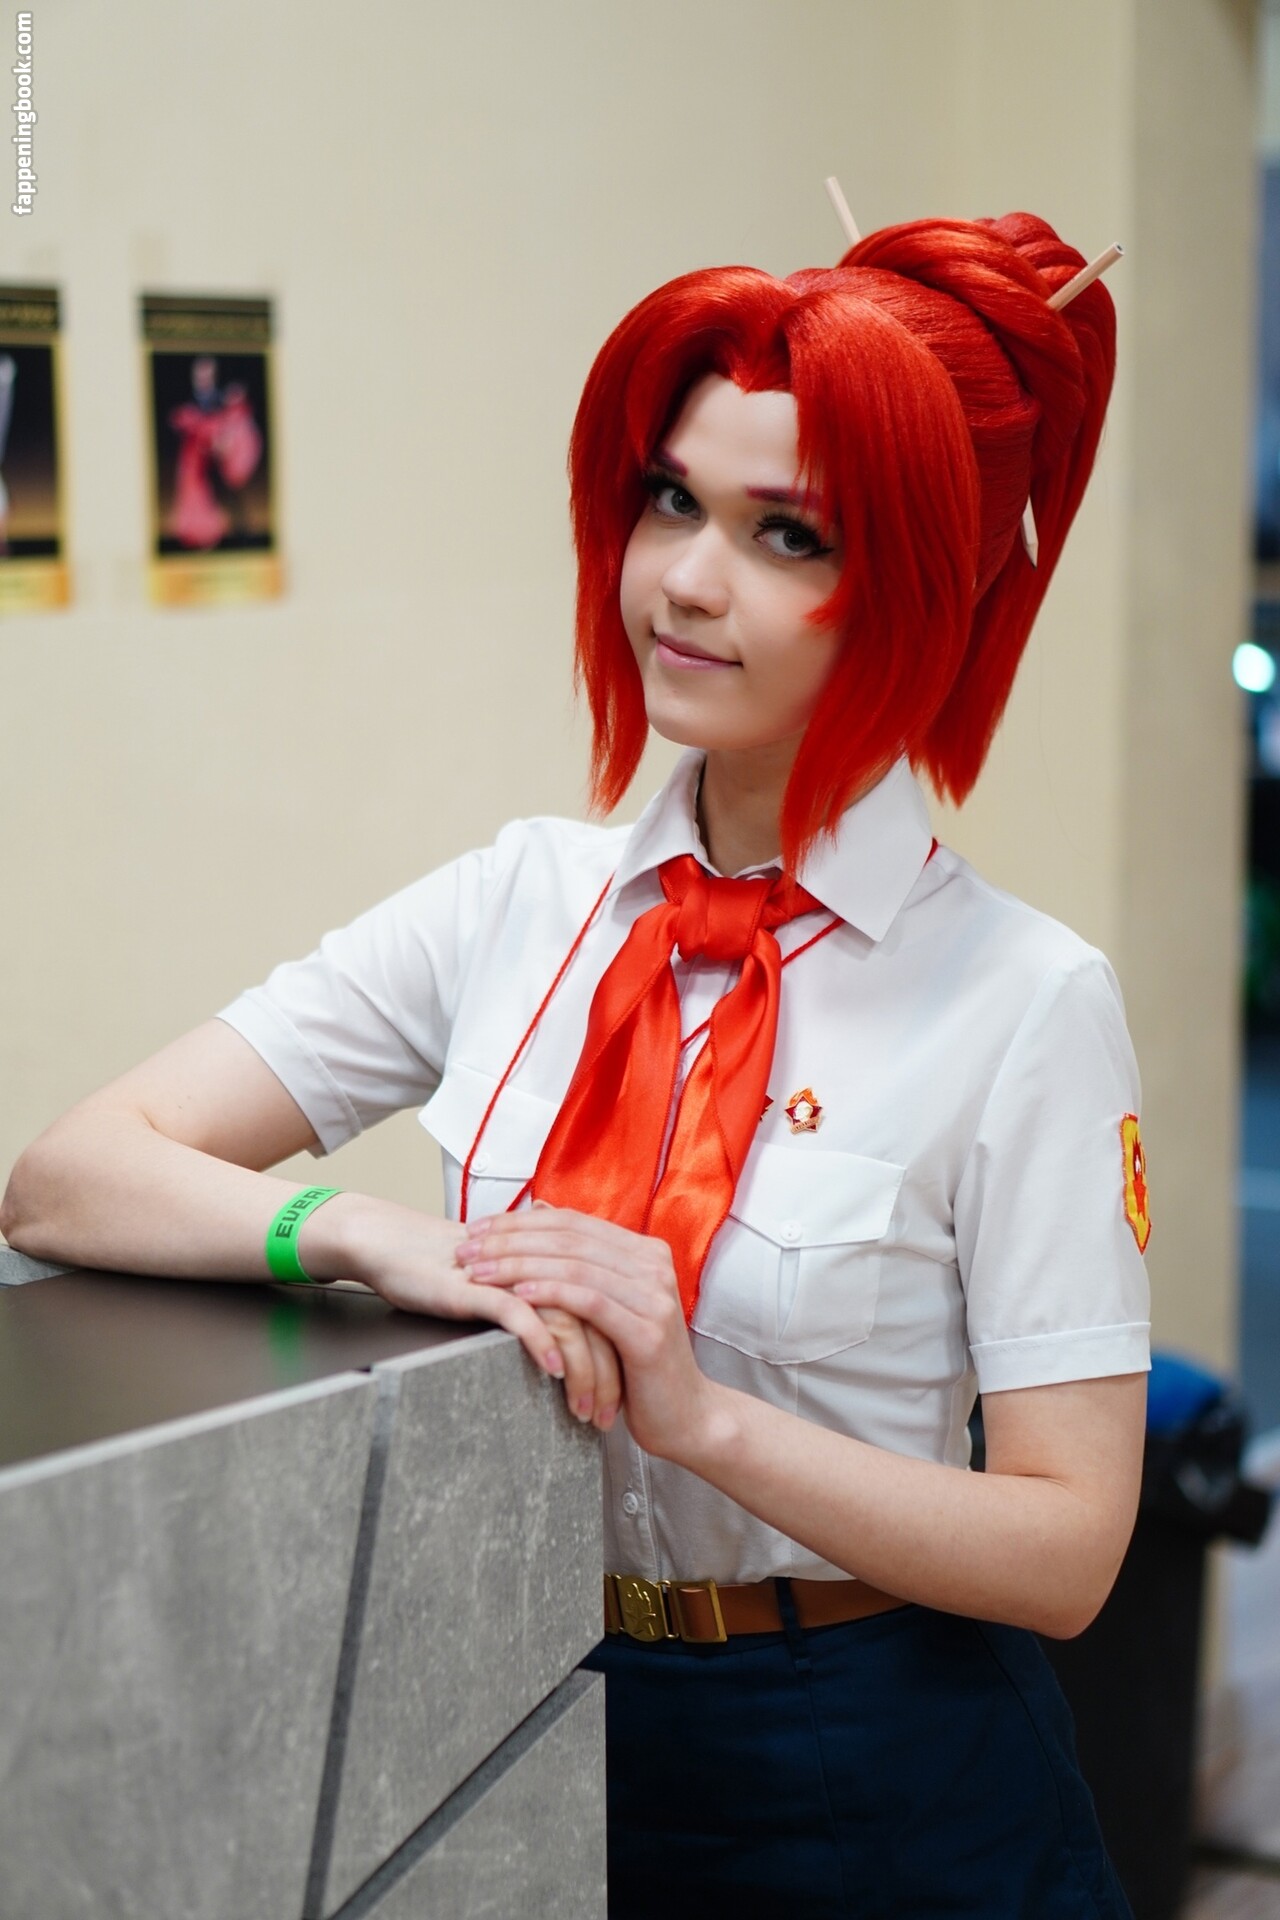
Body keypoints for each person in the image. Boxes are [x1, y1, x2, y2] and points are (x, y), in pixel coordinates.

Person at [2, 210, 1149, 1918]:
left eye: (788, 535)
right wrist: (381, 1239)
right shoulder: (514, 903)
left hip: (877, 1756)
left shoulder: (1026, 1000)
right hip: (521, 1696)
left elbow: (1067, 1553)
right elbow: (68, 1176)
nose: (686, 578)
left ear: (920, 587)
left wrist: (705, 1420)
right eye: (672, 500)